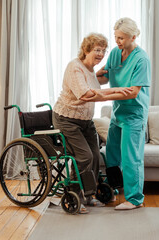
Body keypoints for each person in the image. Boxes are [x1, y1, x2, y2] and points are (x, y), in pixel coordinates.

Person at [52, 33, 132, 214]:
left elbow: (97, 84)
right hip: (67, 120)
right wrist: (116, 90)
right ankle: (75, 195)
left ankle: (89, 195)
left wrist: (114, 74)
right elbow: (86, 94)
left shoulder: (90, 70)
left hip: (85, 121)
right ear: (86, 49)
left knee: (95, 156)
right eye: (97, 50)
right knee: (84, 156)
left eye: (103, 51)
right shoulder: (75, 67)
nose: (101, 54)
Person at [81, 18, 151, 210]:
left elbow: (134, 91)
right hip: (118, 113)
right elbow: (104, 78)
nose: (118, 41)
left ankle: (135, 199)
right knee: (111, 154)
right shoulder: (114, 54)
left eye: (121, 38)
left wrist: (101, 95)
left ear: (133, 37)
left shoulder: (141, 59)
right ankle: (114, 188)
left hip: (134, 115)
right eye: (116, 37)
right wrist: (87, 78)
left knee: (131, 158)